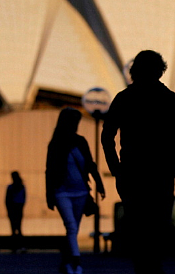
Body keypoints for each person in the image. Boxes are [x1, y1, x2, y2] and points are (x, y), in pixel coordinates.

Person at [102, 50, 175, 274]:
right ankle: (153, 267)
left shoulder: (124, 98)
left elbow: (107, 136)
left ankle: (144, 268)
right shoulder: (170, 99)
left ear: (134, 71)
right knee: (158, 225)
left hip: (132, 173)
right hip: (161, 172)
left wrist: (116, 170)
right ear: (160, 71)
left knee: (138, 227)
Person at [46, 107, 105, 274]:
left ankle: (66, 263)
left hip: (80, 192)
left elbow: (90, 164)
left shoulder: (81, 142)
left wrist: (99, 183)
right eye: (74, 122)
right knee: (71, 227)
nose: (76, 125)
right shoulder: (56, 144)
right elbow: (49, 170)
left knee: (73, 229)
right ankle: (77, 263)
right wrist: (49, 195)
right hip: (62, 192)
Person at [5, 171, 26, 238]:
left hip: (14, 207)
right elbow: (23, 199)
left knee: (14, 227)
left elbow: (7, 199)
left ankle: (16, 243)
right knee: (17, 226)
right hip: (17, 207)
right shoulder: (21, 187)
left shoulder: (11, 187)